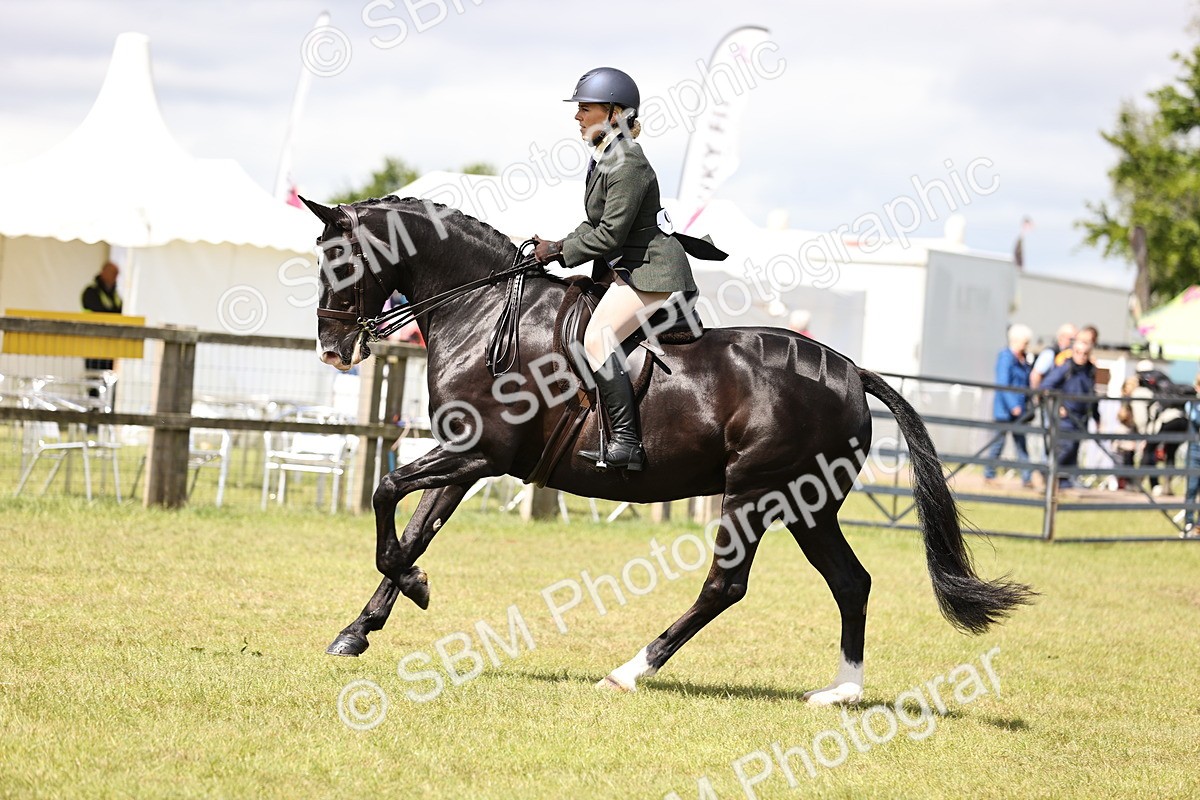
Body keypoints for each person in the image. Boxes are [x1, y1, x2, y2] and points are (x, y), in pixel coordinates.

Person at [533, 67, 723, 471]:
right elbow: (595, 224)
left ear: (615, 112)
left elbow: (609, 237)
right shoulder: (606, 156)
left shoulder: (627, 162)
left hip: (652, 272)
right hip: (628, 268)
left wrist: (559, 252)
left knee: (599, 337)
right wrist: (555, 245)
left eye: (585, 107)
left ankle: (626, 443)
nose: (577, 116)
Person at [1041, 325, 1099, 488]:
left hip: (1080, 418)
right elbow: (1046, 386)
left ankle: (1064, 483)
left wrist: (1096, 416)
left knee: (1073, 451)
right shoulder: (1065, 367)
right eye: (1079, 352)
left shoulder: (1090, 370)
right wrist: (1058, 406)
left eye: (1085, 353)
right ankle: (1047, 477)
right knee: (1064, 449)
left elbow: (1092, 395)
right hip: (1065, 418)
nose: (1081, 356)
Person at [984, 324, 1034, 488]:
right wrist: (1013, 406)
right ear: (1016, 340)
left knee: (1021, 445)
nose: (1026, 345)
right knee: (998, 443)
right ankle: (989, 475)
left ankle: (1027, 478)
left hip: (1020, 410)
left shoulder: (1023, 360)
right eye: (1025, 342)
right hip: (1006, 410)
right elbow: (1003, 384)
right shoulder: (1005, 357)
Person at [81, 261, 123, 370]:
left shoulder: (115, 295)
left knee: (109, 378)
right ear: (104, 272)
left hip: (110, 344)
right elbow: (99, 312)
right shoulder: (91, 292)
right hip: (93, 343)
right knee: (94, 377)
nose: (115, 278)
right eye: (113, 273)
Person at [1029, 322, 1076, 389]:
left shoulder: (1072, 355)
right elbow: (1036, 375)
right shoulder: (1050, 354)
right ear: (1061, 337)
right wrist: (1037, 395)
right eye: (1071, 340)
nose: (1074, 343)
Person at [1183, 373, 1200, 537]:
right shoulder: (1192, 405)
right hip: (1195, 451)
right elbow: (1195, 419)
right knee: (1191, 489)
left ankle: (1199, 527)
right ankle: (1188, 522)